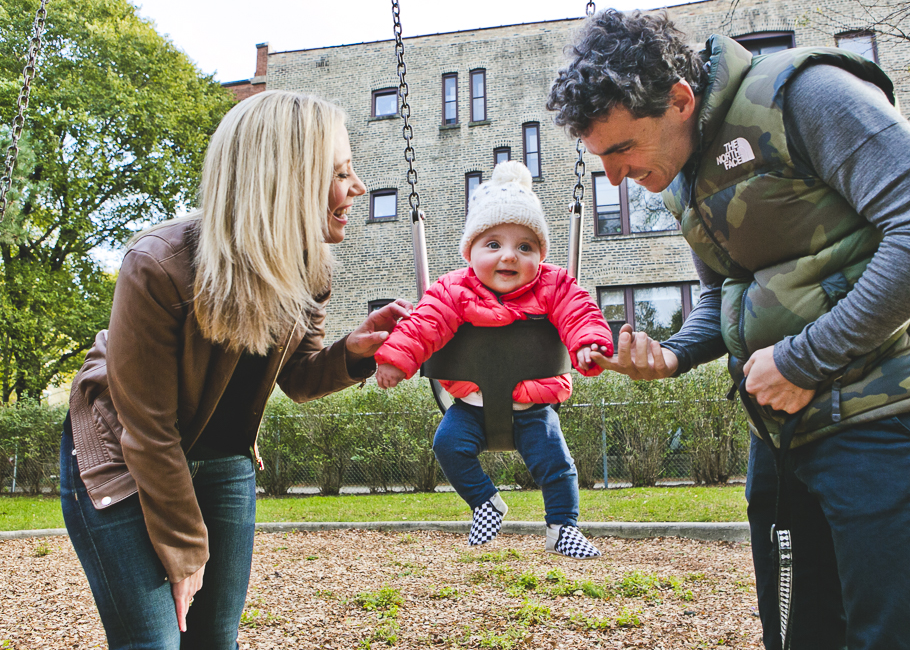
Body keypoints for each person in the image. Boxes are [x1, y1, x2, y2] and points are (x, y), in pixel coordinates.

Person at [547, 9, 910, 650]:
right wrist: (669, 356)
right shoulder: (679, 173)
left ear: (680, 100)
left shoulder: (806, 96)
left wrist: (804, 361)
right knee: (799, 637)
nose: (613, 176)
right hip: (780, 435)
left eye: (620, 150)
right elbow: (725, 291)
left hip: (889, 418)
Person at [61, 90, 411, 649]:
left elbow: (295, 375)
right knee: (154, 641)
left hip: (223, 457)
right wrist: (184, 550)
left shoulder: (309, 266)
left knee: (214, 639)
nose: (358, 189)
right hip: (125, 456)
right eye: (341, 173)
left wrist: (354, 352)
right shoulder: (158, 266)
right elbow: (147, 430)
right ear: (287, 178)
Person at [374, 161, 613, 559]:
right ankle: (485, 502)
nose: (509, 256)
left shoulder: (556, 284)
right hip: (470, 405)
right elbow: (424, 324)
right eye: (493, 244)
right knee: (447, 445)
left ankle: (563, 528)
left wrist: (589, 343)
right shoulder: (452, 288)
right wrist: (396, 359)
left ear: (540, 254)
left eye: (525, 246)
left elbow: (580, 313)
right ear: (470, 252)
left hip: (534, 407)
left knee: (557, 463)